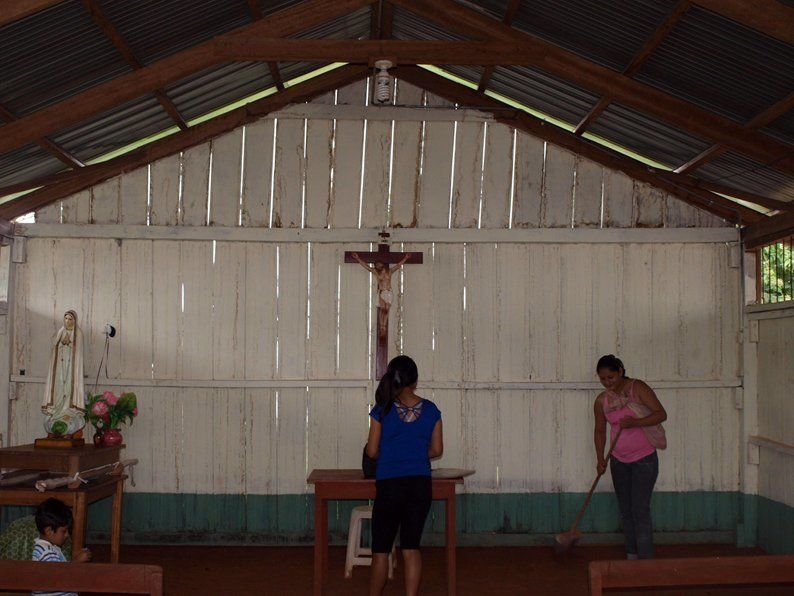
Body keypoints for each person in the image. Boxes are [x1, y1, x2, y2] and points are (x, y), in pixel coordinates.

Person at [366, 355, 443, 596]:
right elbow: (437, 450)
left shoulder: (382, 409)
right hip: (419, 485)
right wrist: (414, 454)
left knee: (381, 550)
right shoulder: (431, 410)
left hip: (390, 485)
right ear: (415, 381)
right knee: (411, 547)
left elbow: (371, 451)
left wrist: (392, 455)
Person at [593, 355, 667, 560]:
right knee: (626, 510)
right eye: (603, 379)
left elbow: (661, 414)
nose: (608, 382)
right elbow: (599, 430)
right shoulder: (601, 400)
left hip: (644, 459)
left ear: (621, 371)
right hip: (618, 460)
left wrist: (635, 423)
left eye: (611, 377)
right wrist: (600, 459)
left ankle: (645, 560)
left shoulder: (638, 388)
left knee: (640, 509)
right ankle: (631, 555)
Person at [32, 498, 91, 596]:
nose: (67, 535)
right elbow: (58, 577)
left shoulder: (46, 548)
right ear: (49, 531)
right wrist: (76, 562)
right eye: (63, 531)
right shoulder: (47, 553)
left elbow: (58, 569)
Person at [42, 310, 86, 437]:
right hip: (60, 370)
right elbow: (54, 346)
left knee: (69, 390)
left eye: (70, 319)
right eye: (66, 319)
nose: (68, 321)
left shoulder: (78, 334)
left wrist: (70, 342)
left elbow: (78, 352)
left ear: (75, 320)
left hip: (72, 370)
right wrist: (61, 343)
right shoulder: (60, 332)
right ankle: (58, 412)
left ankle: (68, 411)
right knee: (59, 390)